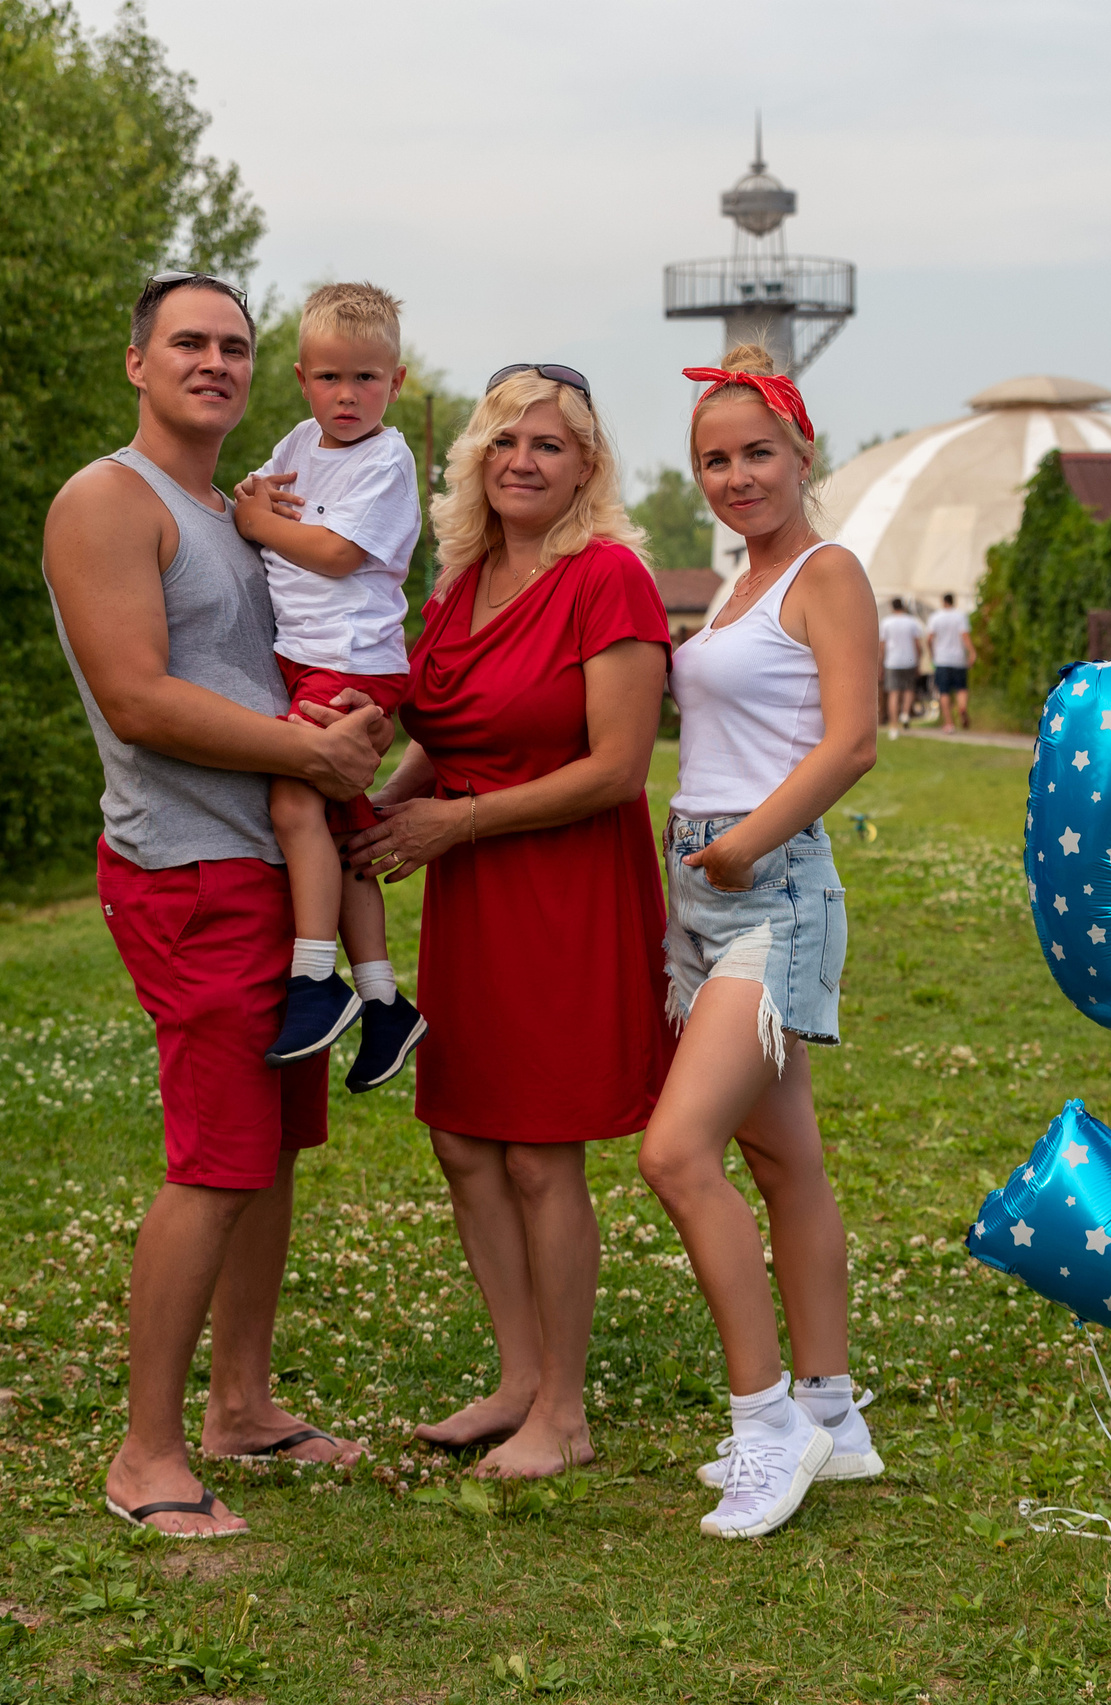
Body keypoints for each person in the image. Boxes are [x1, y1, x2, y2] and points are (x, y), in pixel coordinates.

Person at [42, 272, 391, 1539]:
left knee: (274, 1152)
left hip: (274, 868)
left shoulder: (236, 509)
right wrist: (307, 755)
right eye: (189, 341)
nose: (217, 362)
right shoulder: (105, 502)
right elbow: (136, 696)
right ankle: (146, 1454)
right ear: (135, 361)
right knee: (217, 1159)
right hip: (190, 869)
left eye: (236, 346)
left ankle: (243, 1406)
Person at [341, 363, 673, 1479]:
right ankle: (519, 1380)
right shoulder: (458, 581)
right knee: (463, 1141)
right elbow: (454, 727)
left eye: (550, 444)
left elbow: (618, 769)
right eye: (504, 442)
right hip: (471, 888)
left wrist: (454, 824)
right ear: (476, 459)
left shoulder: (608, 578)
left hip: (564, 883)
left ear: (587, 466)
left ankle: (566, 1415)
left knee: (539, 1153)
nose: (523, 461)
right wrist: (389, 808)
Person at [641, 347, 883, 1539]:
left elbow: (849, 744)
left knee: (676, 1155)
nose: (736, 476)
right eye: (714, 460)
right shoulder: (738, 585)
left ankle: (764, 1425)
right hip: (706, 886)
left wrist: (741, 851)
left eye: (756, 453)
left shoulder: (825, 572)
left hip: (769, 885)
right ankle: (835, 1418)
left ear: (802, 456)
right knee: (784, 1163)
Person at [233, 282, 428, 1092]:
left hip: (350, 657)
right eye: (328, 378)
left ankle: (314, 978)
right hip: (305, 652)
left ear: (398, 382)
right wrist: (253, 500)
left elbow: (341, 554)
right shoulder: (297, 443)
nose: (346, 397)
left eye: (366, 380)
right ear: (301, 376)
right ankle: (383, 1000)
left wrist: (258, 524)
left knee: (290, 799)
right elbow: (257, 492)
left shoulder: (386, 460)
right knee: (341, 830)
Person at [880, 596, 924, 736]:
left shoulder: (886, 623)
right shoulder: (912, 622)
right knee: (909, 690)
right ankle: (905, 713)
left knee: (893, 693)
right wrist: (919, 660)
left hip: (892, 661)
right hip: (909, 660)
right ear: (904, 606)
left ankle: (893, 726)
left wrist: (881, 663)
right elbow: (917, 644)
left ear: (892, 607)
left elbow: (882, 646)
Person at [928, 592, 972, 731]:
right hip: (958, 659)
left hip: (942, 659)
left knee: (944, 691)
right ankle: (962, 708)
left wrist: (932, 653)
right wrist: (972, 652)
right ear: (954, 602)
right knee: (961, 688)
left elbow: (929, 638)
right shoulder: (960, 616)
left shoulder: (936, 617)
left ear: (943, 602)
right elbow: (964, 636)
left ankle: (949, 723)